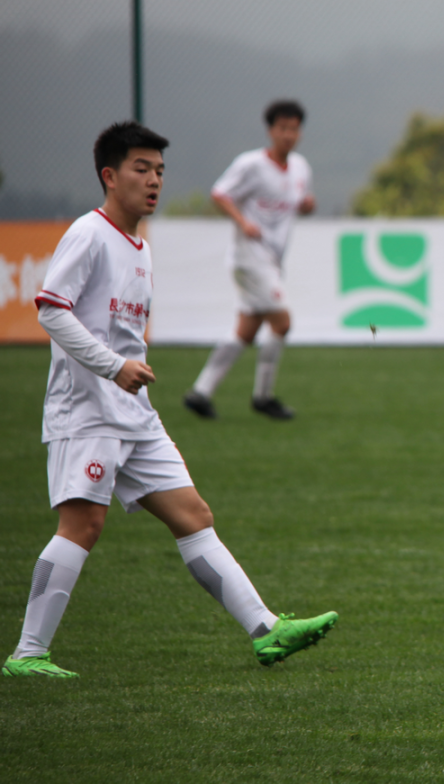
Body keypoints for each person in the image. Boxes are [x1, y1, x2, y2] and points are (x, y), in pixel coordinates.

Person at [3, 122, 336, 679]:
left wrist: (125, 372)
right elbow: (51, 309)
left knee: (194, 515)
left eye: (159, 170)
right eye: (141, 168)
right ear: (110, 176)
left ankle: (265, 629)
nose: (154, 180)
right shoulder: (89, 233)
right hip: (87, 411)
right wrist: (113, 366)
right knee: (82, 525)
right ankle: (27, 655)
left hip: (134, 413)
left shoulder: (139, 247)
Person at [183, 99, 315, 420]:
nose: (288, 135)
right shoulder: (251, 164)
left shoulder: (300, 168)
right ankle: (263, 397)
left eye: (294, 129)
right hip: (249, 257)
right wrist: (243, 222)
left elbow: (299, 203)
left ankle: (201, 392)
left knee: (246, 330)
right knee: (282, 322)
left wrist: (307, 206)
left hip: (272, 259)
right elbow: (220, 193)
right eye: (282, 128)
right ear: (270, 130)